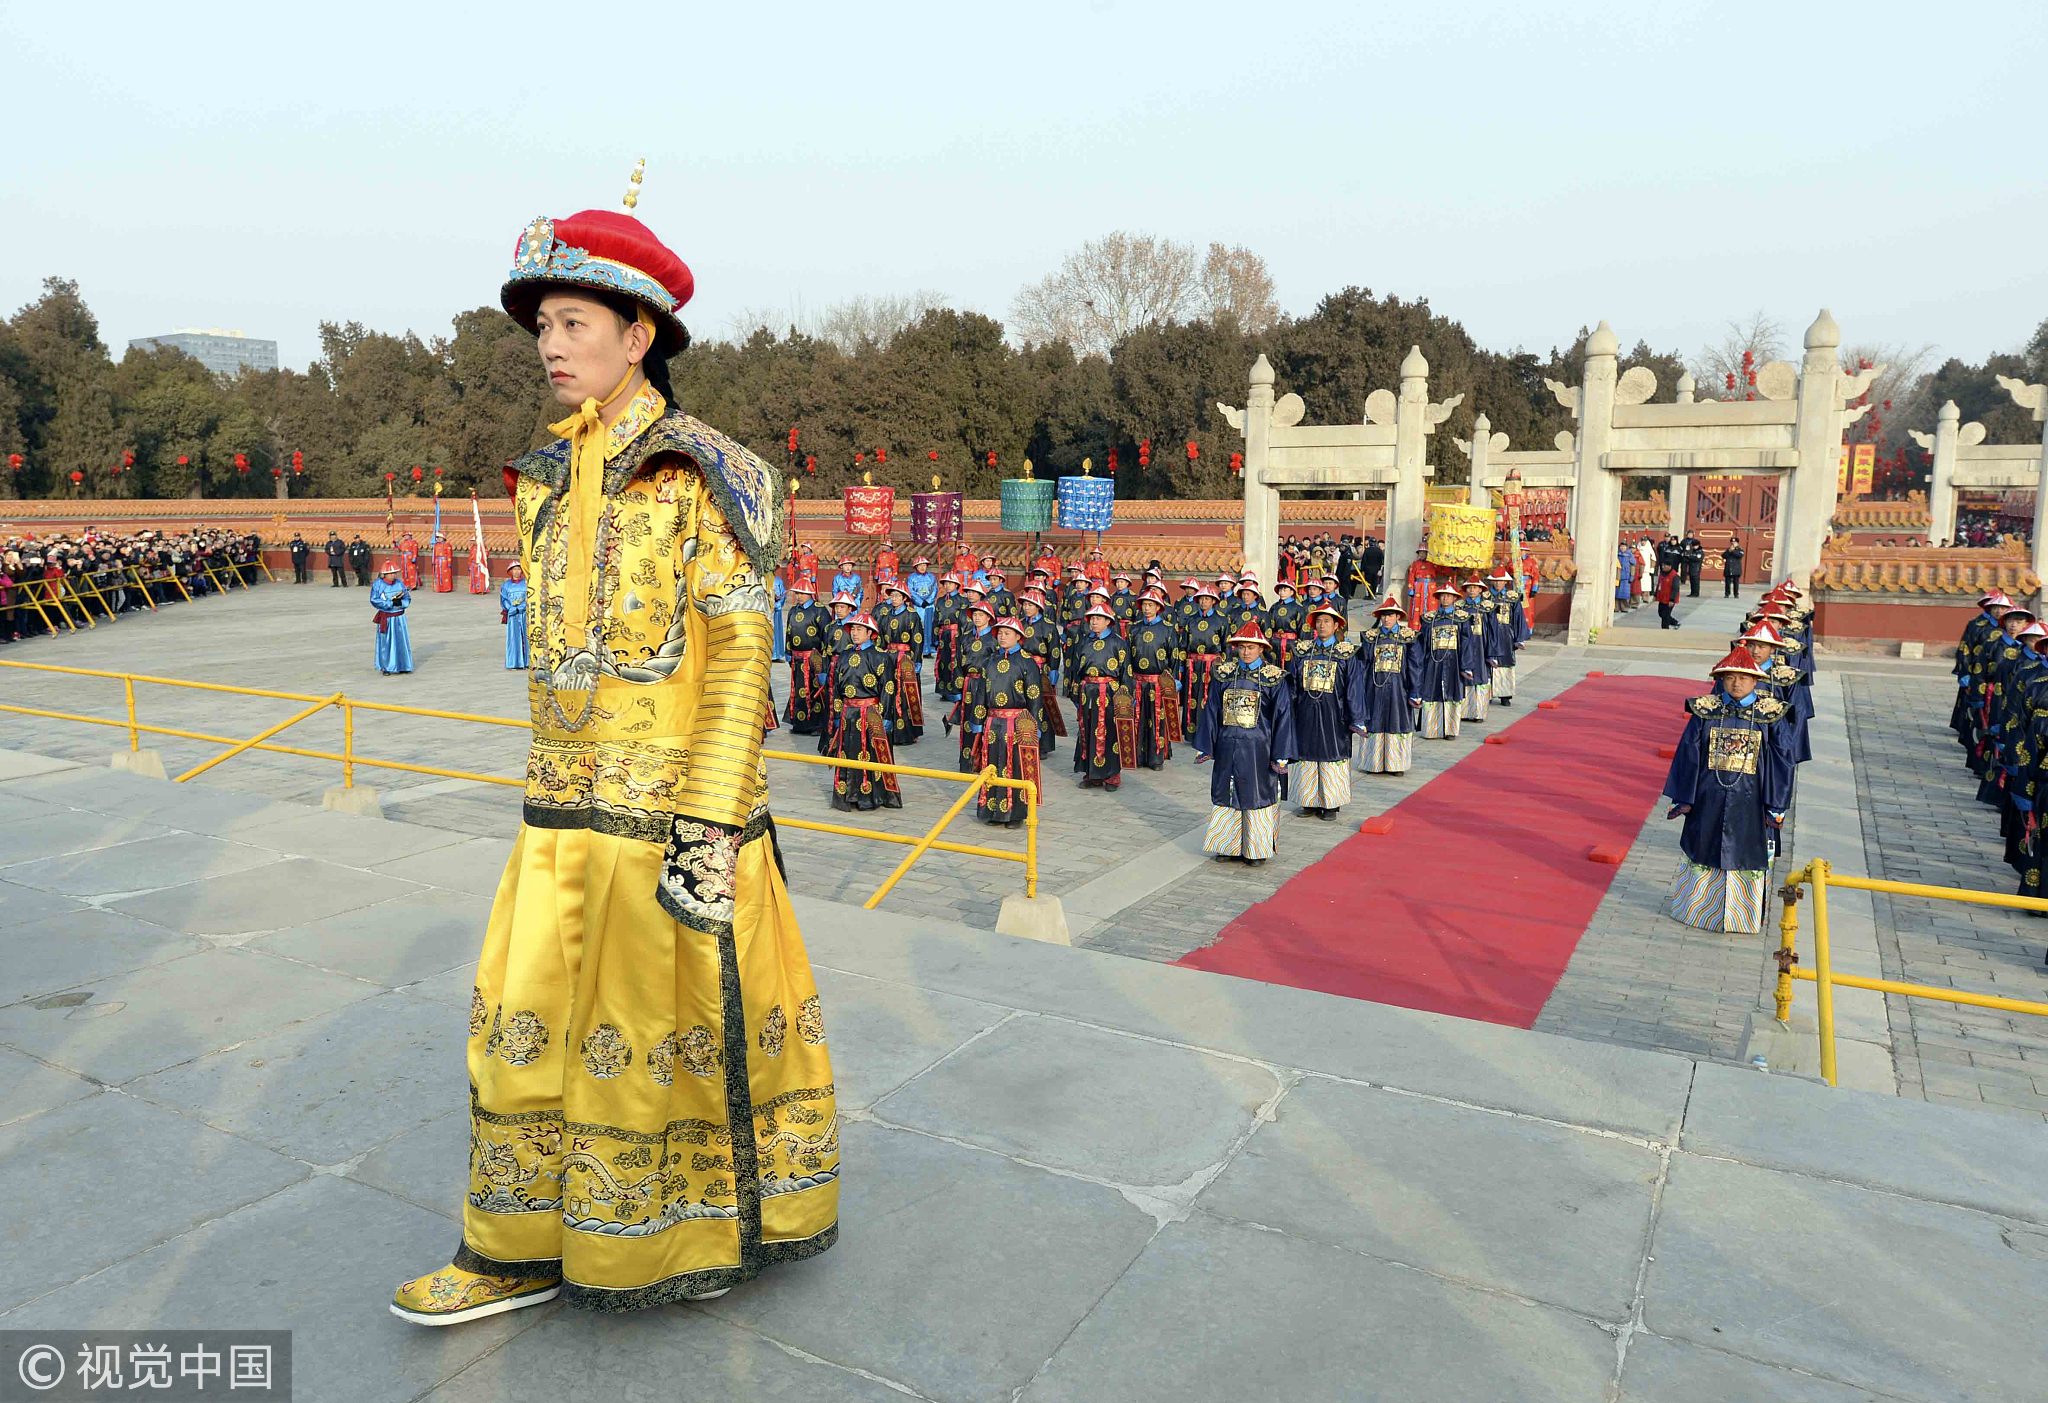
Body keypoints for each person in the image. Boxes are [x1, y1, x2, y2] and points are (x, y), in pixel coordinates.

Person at [392, 190, 836, 1326]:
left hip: (670, 819)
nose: (549, 346)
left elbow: (741, 656)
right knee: (522, 1032)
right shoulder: (543, 477)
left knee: (650, 1048)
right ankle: (513, 1246)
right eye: (540, 327)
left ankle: (645, 1241)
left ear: (639, 336)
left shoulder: (704, 471)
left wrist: (707, 826)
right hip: (557, 815)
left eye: (573, 324)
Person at [1661, 647, 1796, 933]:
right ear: (1721, 679)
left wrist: (1776, 802)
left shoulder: (1770, 714)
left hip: (1753, 796)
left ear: (1755, 680)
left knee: (1747, 851)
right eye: (1730, 677)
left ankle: (1741, 916)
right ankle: (1698, 910)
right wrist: (1685, 796)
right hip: (1709, 794)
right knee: (1703, 846)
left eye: (1743, 678)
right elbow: (1689, 751)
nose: (1737, 683)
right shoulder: (1706, 710)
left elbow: (1783, 758)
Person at [1194, 622, 1296, 865]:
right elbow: (1212, 710)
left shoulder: (1274, 679)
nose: (1246, 652)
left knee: (1257, 794)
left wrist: (1281, 752)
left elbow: (1283, 716)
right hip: (1228, 744)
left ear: (1261, 649)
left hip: (1258, 747)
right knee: (1226, 792)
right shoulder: (1223, 674)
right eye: (1242, 647)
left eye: (1251, 647)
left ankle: (1256, 849)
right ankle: (1226, 845)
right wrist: (1206, 744)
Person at [960, 616, 1046, 826]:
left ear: (1018, 636)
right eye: (1000, 633)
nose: (1002, 637)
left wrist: (1034, 725)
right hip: (992, 722)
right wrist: (978, 719)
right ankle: (992, 811)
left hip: (1015, 722)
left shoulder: (1027, 663)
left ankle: (1014, 813)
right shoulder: (990, 661)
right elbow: (981, 692)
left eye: (1007, 633)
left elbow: (1035, 695)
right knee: (991, 765)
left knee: (1014, 765)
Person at [1287, 601, 1367, 820]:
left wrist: (1357, 717)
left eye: (1327, 622)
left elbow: (1354, 688)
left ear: (1336, 626)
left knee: (1332, 755)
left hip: (1335, 714)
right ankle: (1308, 800)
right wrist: (1288, 713)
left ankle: (1330, 804)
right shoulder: (1302, 652)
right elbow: (1292, 685)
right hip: (1306, 713)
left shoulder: (1346, 654)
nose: (1322, 626)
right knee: (1307, 755)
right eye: (1319, 621)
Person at [823, 611, 901, 811]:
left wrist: (884, 716)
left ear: (870, 633)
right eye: (853, 629)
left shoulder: (881, 657)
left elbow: (889, 688)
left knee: (871, 754)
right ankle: (847, 795)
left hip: (871, 712)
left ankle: (870, 796)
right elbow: (837, 688)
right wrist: (838, 713)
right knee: (848, 752)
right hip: (849, 713)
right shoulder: (845, 656)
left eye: (859, 629)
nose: (855, 633)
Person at [1070, 602, 1133, 790]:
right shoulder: (1084, 641)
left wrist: (1125, 698)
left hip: (1109, 692)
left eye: (1098, 618)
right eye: (1092, 619)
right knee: (1087, 730)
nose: (1094, 622)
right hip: (1087, 691)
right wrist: (1075, 692)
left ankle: (1111, 775)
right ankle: (1091, 774)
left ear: (1108, 621)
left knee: (1109, 732)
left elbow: (1126, 672)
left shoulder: (1118, 642)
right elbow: (1076, 668)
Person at [1357, 597, 1422, 774]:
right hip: (1374, 687)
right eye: (1384, 615)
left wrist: (1415, 691)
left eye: (1390, 615)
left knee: (1396, 723)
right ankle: (1373, 763)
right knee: (1374, 721)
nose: (1387, 619)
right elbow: (1363, 665)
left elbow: (1415, 666)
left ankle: (1396, 765)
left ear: (1397, 617)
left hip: (1399, 688)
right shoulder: (1371, 637)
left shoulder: (1408, 637)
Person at [1128, 587, 1182, 768]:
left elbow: (1174, 657)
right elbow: (1127, 656)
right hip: (1138, 681)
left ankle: (1156, 757)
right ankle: (1137, 756)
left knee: (1157, 719)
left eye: (1150, 604)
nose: (1146, 608)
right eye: (1144, 604)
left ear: (1158, 607)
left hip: (1158, 682)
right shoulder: (1134, 628)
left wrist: (1173, 680)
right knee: (1138, 719)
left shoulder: (1168, 630)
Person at [1413, 583, 1468, 740]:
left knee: (1451, 692)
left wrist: (1466, 666)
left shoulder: (1461, 619)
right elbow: (1422, 643)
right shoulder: (1429, 618)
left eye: (1449, 596)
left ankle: (1450, 730)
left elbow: (1466, 643)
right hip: (1433, 661)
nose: (1445, 598)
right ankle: (1431, 729)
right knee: (1431, 691)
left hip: (1454, 661)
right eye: (1443, 595)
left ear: (1454, 599)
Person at [875, 580, 925, 746]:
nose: (894, 598)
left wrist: (916, 661)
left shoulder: (912, 615)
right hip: (888, 658)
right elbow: (880, 640)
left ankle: (908, 732)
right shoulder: (885, 616)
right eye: (892, 595)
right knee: (888, 692)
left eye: (898, 596)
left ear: (904, 598)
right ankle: (889, 728)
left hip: (905, 660)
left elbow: (918, 640)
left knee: (906, 694)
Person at [1180, 583, 1231, 734]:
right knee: (1192, 696)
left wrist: (1225, 666)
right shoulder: (1191, 620)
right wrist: (1184, 663)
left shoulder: (1221, 620)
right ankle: (1192, 731)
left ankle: (1210, 731)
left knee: (1210, 697)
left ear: (1213, 601)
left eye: (1207, 599)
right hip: (1193, 664)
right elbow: (1183, 644)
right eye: (1201, 599)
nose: (1203, 602)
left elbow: (1226, 645)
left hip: (1213, 664)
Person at [782, 583, 831, 737]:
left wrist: (823, 661)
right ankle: (799, 723)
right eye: (797, 593)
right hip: (797, 658)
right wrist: (788, 651)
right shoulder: (793, 610)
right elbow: (789, 632)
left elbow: (826, 635)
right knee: (798, 691)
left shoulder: (820, 611)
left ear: (810, 593)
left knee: (814, 691)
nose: (798, 596)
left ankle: (816, 724)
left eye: (802, 593)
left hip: (813, 659)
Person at [1482, 569, 1528, 703]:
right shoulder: (1485, 597)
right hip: (1489, 633)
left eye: (1501, 581)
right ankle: (1488, 693)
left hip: (1506, 634)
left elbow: (1518, 618)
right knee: (1488, 662)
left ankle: (1505, 695)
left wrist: (1519, 638)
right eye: (1495, 581)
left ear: (1505, 582)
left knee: (1506, 663)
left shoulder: (1512, 597)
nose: (1498, 584)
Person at [1457, 576, 1493, 723]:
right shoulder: (1460, 607)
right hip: (1465, 646)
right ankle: (1464, 712)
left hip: (1481, 645)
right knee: (1465, 676)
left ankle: (1478, 712)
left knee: (1480, 677)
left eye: (1475, 587)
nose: (1472, 590)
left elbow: (1492, 630)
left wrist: (1492, 650)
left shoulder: (1487, 607)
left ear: (1480, 590)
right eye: (1469, 587)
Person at [370, 564, 414, 675]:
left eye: (394, 573)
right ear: (384, 574)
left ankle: (403, 665)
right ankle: (386, 666)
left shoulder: (399, 583)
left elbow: (407, 598)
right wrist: (389, 603)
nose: (393, 575)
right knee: (387, 643)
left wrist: (400, 603)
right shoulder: (378, 585)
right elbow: (374, 600)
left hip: (399, 617)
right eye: (390, 573)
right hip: (387, 617)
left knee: (401, 641)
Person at [906, 555, 938, 657]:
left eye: (924, 565)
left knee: (929, 628)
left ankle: (927, 650)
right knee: (918, 628)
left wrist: (928, 601)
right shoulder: (911, 578)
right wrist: (920, 602)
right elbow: (911, 591)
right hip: (918, 607)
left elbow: (934, 590)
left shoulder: (932, 577)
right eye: (920, 565)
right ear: (916, 567)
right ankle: (918, 649)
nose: (922, 567)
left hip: (929, 606)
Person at [499, 563, 529, 669]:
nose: (516, 571)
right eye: (514, 569)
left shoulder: (526, 583)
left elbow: (530, 597)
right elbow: (504, 599)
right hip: (512, 614)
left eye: (518, 569)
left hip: (524, 614)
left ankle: (527, 662)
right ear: (510, 571)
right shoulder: (506, 585)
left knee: (526, 637)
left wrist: (522, 607)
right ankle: (514, 662)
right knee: (513, 637)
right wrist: (511, 608)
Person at [1655, 557, 1682, 629]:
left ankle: (1665, 630)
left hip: (1669, 599)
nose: (1663, 567)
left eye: (1664, 566)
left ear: (1669, 566)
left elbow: (1675, 589)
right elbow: (1659, 585)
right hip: (1662, 598)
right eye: (1662, 565)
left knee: (1665, 616)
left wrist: (1672, 600)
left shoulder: (1674, 576)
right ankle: (1675, 622)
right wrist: (1655, 594)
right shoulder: (1662, 574)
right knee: (1661, 613)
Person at [1682, 532, 1705, 597]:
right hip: (1691, 568)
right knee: (1692, 581)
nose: (1694, 547)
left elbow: (1697, 559)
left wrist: (1689, 557)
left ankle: (1696, 593)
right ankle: (1692, 592)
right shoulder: (1692, 551)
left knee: (1696, 582)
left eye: (1695, 545)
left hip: (1696, 569)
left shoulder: (1700, 552)